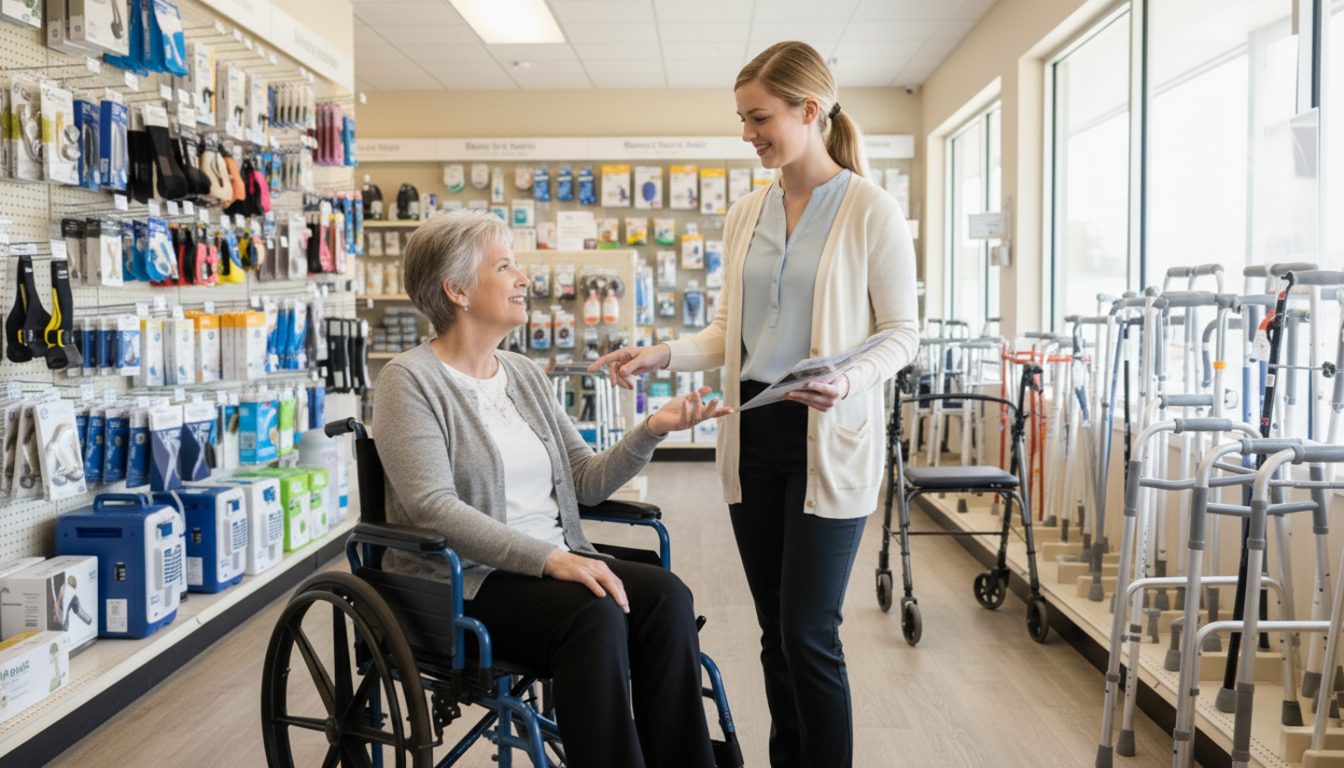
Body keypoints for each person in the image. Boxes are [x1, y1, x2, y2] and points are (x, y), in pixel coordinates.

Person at [589, 41, 920, 768]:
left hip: (826, 433)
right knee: (774, 629)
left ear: (810, 110)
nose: (747, 134)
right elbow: (728, 329)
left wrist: (851, 380)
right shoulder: (746, 212)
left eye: (759, 117)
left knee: (809, 632)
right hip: (754, 433)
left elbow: (901, 335)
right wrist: (660, 354)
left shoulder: (871, 210)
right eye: (742, 119)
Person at [374, 209, 731, 768]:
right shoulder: (408, 380)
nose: (523, 279)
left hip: (550, 563)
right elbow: (432, 507)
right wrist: (550, 560)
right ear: (457, 290)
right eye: (505, 266)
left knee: (666, 597)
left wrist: (651, 430)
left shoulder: (522, 373)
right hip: (466, 581)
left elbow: (585, 481)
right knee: (593, 614)